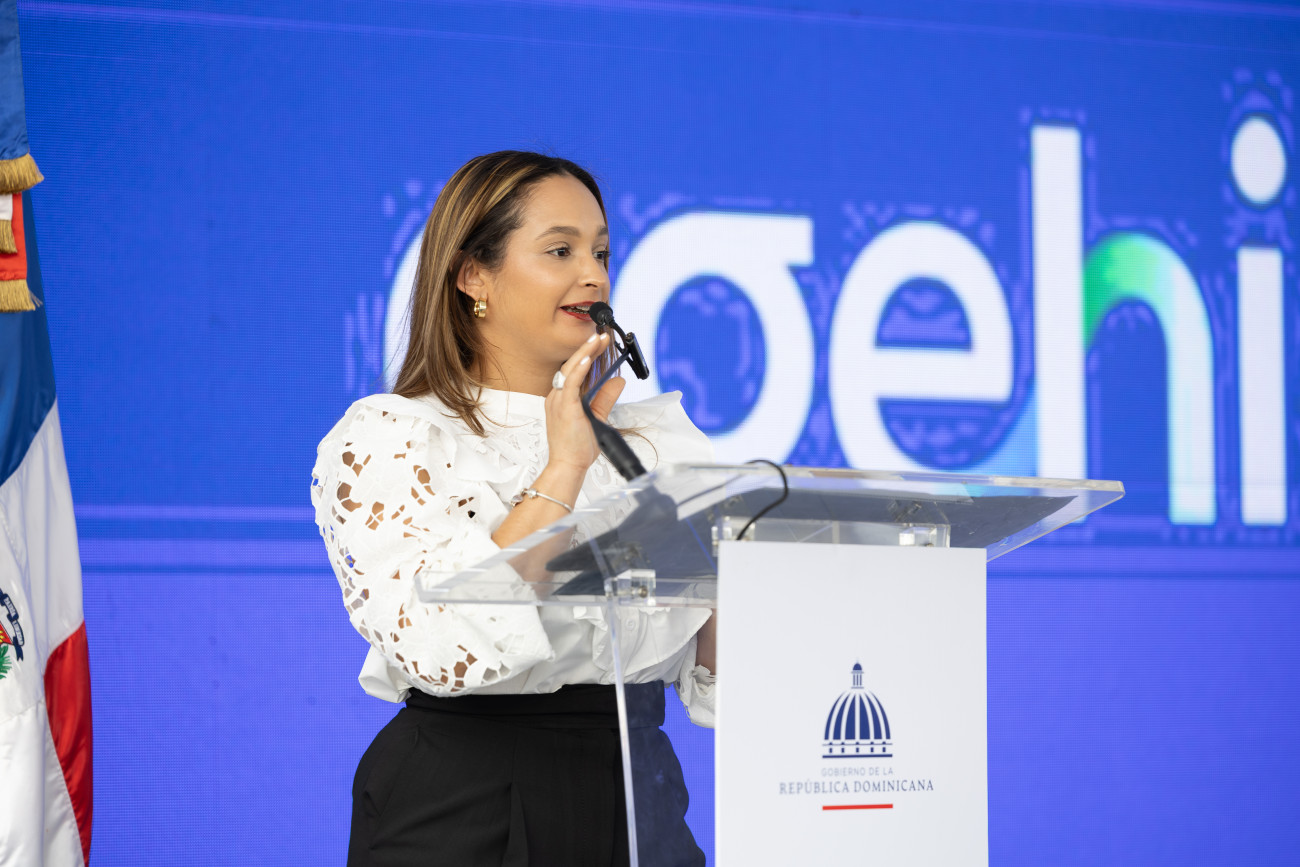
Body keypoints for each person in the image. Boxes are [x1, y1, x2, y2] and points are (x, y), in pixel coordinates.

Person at [311, 151, 717, 866]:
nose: (592, 274)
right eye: (560, 251)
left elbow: (712, 661)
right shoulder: (397, 435)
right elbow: (440, 641)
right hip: (467, 798)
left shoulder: (654, 445)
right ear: (473, 277)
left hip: (639, 792)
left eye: (600, 253)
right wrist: (564, 468)